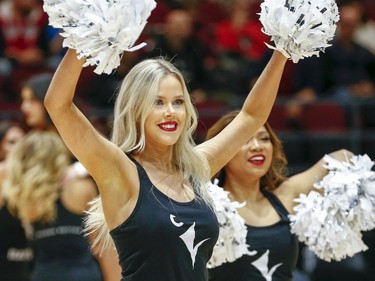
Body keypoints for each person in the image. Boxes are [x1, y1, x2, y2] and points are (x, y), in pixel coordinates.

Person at [43, 38, 288, 280]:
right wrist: (84, 38)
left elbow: (251, 116)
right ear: (136, 108)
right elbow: (58, 105)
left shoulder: (195, 167)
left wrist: (283, 48)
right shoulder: (120, 171)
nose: (170, 111)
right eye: (157, 102)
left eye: (178, 102)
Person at [205, 110, 352, 281]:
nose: (257, 146)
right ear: (223, 151)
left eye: (264, 138)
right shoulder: (209, 203)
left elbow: (342, 157)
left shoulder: (285, 196)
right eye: (245, 140)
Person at [4, 131, 105, 281]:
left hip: (43, 274)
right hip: (83, 274)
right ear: (58, 156)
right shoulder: (81, 188)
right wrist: (78, 169)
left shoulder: (22, 195)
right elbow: (100, 246)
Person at [0, 120, 31, 281]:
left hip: (32, 260)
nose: (19, 147)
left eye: (23, 141)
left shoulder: (37, 177)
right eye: (12, 142)